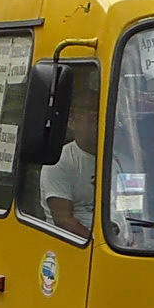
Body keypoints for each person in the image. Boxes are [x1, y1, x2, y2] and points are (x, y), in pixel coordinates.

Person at [40, 92, 98, 237]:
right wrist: (95, 242)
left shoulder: (121, 158)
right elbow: (63, 220)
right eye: (90, 114)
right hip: (75, 244)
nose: (97, 119)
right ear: (71, 122)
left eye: (100, 114)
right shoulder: (60, 161)